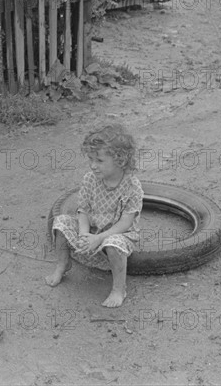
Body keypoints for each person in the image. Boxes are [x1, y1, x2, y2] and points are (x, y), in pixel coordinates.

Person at [45, 124, 143, 308]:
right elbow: (83, 210)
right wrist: (84, 234)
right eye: (90, 159)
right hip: (92, 229)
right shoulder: (90, 179)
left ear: (120, 160)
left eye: (99, 160)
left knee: (114, 243)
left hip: (119, 234)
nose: (93, 165)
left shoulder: (132, 186)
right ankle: (63, 265)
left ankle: (118, 289)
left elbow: (126, 222)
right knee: (60, 222)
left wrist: (99, 238)